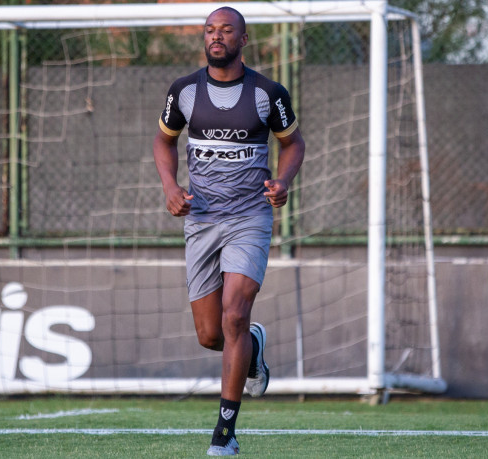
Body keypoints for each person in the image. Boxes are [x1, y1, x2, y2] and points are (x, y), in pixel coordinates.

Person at [153, 6, 305, 456]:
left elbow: (293, 143)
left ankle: (225, 434)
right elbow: (164, 140)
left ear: (243, 38)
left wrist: (283, 182)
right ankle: (254, 348)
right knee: (211, 335)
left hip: (249, 217)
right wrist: (170, 186)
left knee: (235, 313)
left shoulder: (267, 93)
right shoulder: (183, 92)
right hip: (201, 219)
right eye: (210, 30)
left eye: (226, 30)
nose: (216, 37)